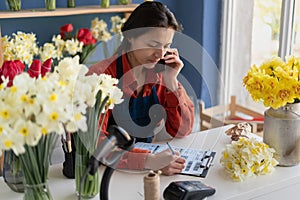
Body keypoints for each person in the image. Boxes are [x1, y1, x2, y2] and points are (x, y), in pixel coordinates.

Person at [87, 1, 194, 176]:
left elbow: (182, 130)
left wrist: (171, 82)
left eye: (166, 46)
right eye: (153, 44)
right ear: (130, 36)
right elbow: (96, 143)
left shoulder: (161, 73)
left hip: (146, 171)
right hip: (106, 172)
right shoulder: (101, 76)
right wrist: (149, 161)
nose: (160, 54)